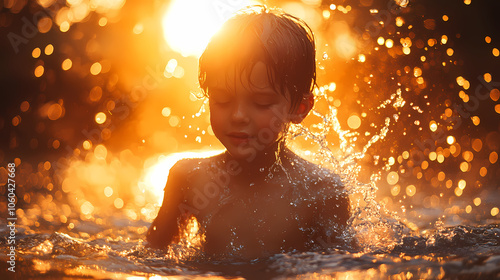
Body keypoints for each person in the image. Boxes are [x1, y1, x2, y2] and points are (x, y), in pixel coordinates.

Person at [147, 5, 350, 259]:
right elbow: (151, 255)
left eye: (261, 103)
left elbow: (342, 265)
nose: (238, 116)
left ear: (299, 108)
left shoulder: (322, 191)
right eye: (222, 100)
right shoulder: (188, 179)